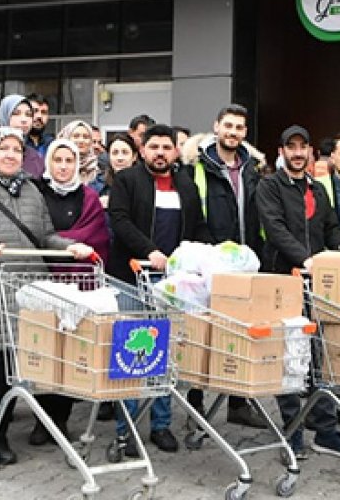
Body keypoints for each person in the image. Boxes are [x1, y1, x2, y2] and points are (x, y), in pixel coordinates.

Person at [0, 127, 94, 470]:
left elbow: (45, 235)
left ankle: (0, 437)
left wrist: (69, 247)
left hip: (25, 294)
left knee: (14, 369)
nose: (11, 155)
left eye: (17, 150)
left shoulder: (30, 191)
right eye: (4, 149)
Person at [256, 124, 340, 459]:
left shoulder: (317, 190)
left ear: (312, 153)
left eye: (304, 147)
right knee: (291, 359)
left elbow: (330, 228)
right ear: (282, 151)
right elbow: (275, 229)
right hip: (283, 281)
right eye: (292, 147)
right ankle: (292, 432)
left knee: (320, 359)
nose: (298, 152)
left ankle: (326, 431)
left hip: (317, 286)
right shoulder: (270, 186)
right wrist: (306, 259)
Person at [106, 124, 209, 456]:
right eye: (154, 147)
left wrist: (204, 257)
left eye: (167, 147)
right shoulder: (127, 181)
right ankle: (127, 429)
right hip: (131, 276)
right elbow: (120, 221)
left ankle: (161, 425)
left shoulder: (187, 186)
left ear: (176, 152)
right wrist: (148, 251)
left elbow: (197, 228)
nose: (161, 153)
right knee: (132, 355)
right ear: (143, 151)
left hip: (173, 283)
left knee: (165, 354)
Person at [27, 138, 110, 446]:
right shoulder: (35, 194)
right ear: (49, 162)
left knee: (70, 351)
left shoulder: (88, 197)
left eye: (69, 161)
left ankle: (60, 419)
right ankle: (41, 420)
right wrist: (60, 243)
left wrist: (60, 240)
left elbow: (96, 235)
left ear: (78, 164)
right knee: (45, 350)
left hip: (78, 286)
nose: (63, 166)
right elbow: (33, 231)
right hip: (41, 280)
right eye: (57, 160)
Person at [188, 105, 267, 427]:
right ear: (216, 127)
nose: (233, 132)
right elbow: (194, 214)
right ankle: (195, 408)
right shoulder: (197, 167)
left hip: (245, 263)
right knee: (201, 334)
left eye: (239, 128)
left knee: (241, 334)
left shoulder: (252, 169)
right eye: (228, 126)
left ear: (245, 134)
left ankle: (239, 404)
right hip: (209, 262)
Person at [57, 120, 104, 193]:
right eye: (76, 136)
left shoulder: (100, 169)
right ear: (66, 138)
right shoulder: (56, 167)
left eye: (86, 137)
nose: (81, 140)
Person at [101, 133, 139, 206]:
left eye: (125, 152)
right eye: (115, 153)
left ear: (134, 156)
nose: (120, 158)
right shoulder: (97, 185)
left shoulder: (146, 184)